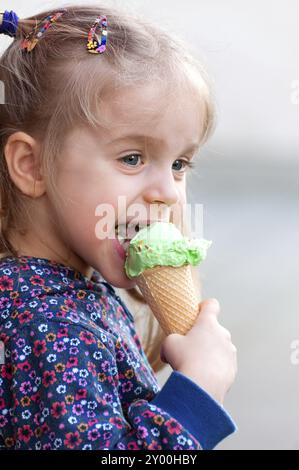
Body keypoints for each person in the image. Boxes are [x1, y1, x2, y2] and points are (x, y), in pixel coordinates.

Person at [0, 5, 237, 450]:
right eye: (133, 158)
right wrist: (197, 395)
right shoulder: (51, 326)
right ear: (31, 166)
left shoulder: (66, 293)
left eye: (180, 164)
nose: (167, 192)